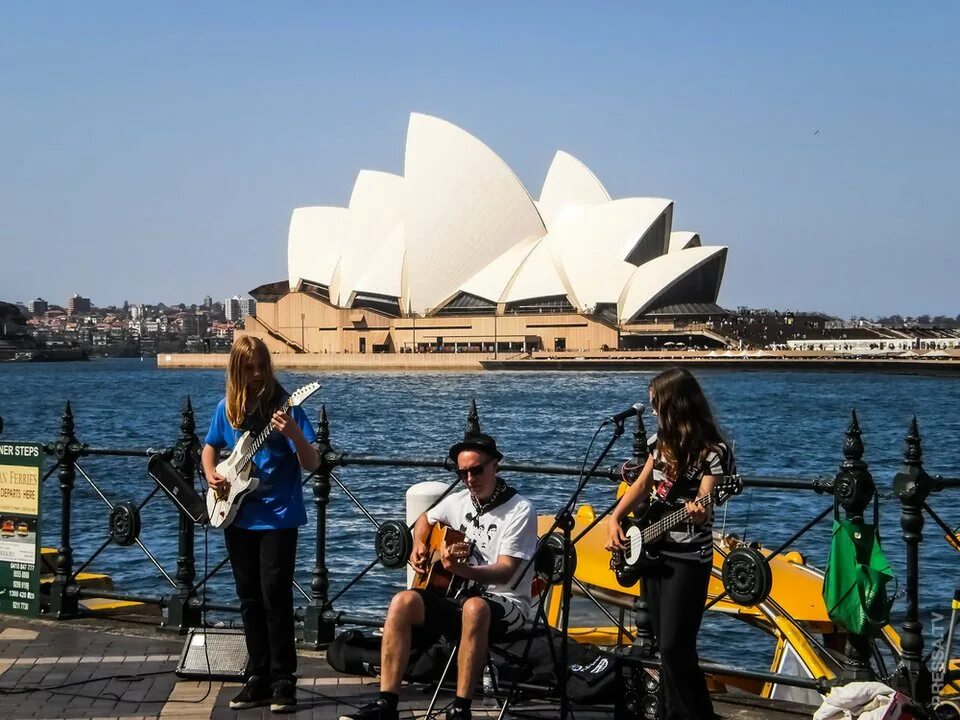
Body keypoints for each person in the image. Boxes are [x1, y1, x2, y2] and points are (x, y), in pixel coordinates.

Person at [341, 431, 538, 720]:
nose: (470, 479)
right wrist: (420, 544)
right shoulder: (458, 501)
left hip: (506, 603)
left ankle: (461, 709)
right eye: (463, 473)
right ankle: (387, 702)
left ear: (496, 465)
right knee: (402, 601)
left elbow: (507, 571)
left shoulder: (519, 510)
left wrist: (462, 569)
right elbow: (426, 518)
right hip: (457, 598)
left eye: (477, 470)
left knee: (474, 608)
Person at [605, 368, 734, 720]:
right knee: (664, 645)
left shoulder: (712, 453)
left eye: (656, 405)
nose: (652, 412)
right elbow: (643, 486)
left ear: (674, 404)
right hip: (653, 553)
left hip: (689, 558)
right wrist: (616, 518)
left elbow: (705, 507)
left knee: (678, 646)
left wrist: (697, 512)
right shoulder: (659, 444)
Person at [202, 336, 319, 714]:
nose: (256, 375)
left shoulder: (285, 407)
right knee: (249, 599)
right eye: (249, 369)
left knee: (276, 598)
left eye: (261, 367)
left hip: (278, 518)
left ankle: (284, 680)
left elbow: (313, 463)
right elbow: (209, 447)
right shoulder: (228, 408)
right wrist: (210, 476)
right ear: (237, 371)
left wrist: (294, 434)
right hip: (239, 516)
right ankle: (258, 676)